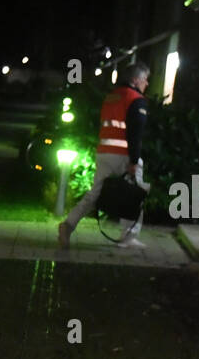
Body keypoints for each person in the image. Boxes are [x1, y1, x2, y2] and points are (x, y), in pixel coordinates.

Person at [58, 60, 152, 250]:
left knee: (95, 193)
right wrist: (134, 160)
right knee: (136, 192)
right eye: (145, 79)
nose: (147, 84)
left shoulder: (112, 96)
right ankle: (128, 237)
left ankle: (68, 225)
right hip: (124, 155)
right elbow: (135, 133)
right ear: (135, 80)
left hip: (104, 152)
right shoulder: (136, 99)